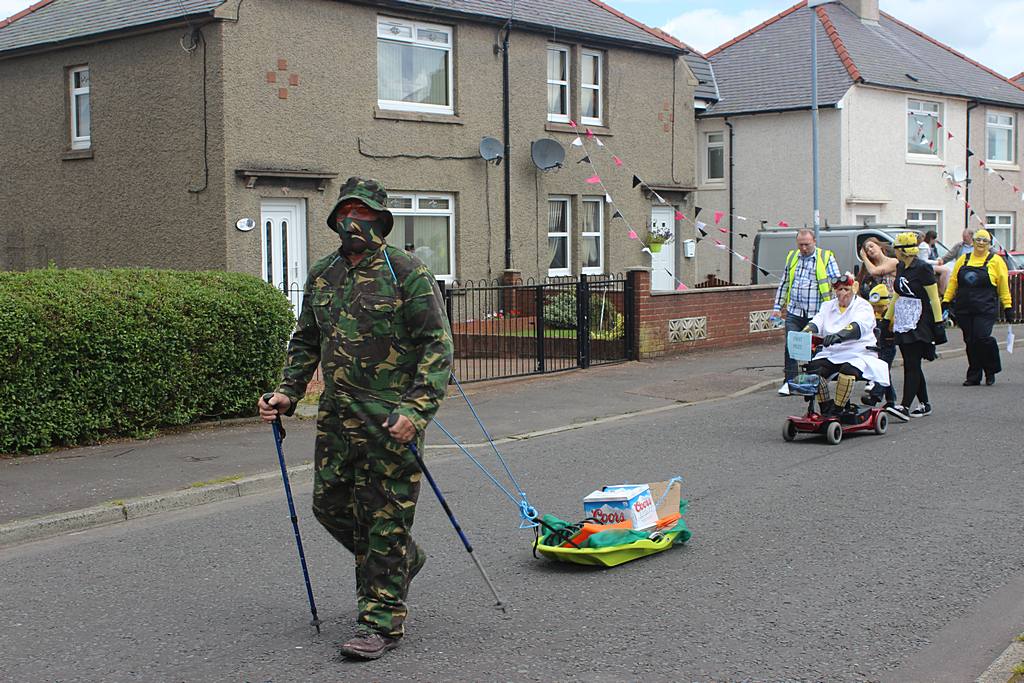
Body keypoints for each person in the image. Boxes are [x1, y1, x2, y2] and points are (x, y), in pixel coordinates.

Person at [258, 177, 454, 660]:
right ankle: (404, 560)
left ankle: (379, 622)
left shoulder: (406, 272)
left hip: (391, 422)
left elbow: (438, 346)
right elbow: (306, 340)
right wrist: (287, 391)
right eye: (347, 214)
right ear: (335, 221)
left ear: (382, 221)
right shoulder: (324, 274)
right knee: (329, 506)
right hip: (337, 420)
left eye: (364, 215)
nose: (354, 224)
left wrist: (417, 409)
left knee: (383, 519)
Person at [801, 273, 891, 418]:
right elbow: (817, 321)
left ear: (853, 290)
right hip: (832, 353)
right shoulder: (828, 306)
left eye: (846, 289)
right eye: (839, 290)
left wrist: (839, 336)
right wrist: (806, 331)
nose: (843, 293)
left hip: (859, 352)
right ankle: (826, 407)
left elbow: (856, 327)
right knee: (813, 369)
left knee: (847, 370)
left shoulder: (863, 306)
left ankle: (838, 408)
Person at [883, 232, 947, 420]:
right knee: (912, 364)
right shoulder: (901, 266)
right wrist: (888, 318)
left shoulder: (923, 269)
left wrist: (938, 324)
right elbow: (897, 294)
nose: (894, 251)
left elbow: (934, 298)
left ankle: (904, 406)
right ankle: (925, 404)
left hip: (921, 320)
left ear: (902, 251)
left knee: (911, 363)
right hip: (904, 320)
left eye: (896, 248)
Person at [942, 228, 1015, 385]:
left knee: (982, 338)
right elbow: (954, 281)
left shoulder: (996, 261)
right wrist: (946, 300)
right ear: (973, 242)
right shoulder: (963, 259)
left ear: (990, 244)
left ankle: (990, 369)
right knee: (970, 341)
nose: (981, 243)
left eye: (985, 241)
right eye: (978, 240)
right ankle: (974, 375)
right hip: (964, 308)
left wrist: (1008, 306)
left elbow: (1003, 286)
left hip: (985, 308)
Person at [772, 229, 841, 393]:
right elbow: (784, 283)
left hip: (816, 313)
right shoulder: (792, 257)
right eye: (801, 244)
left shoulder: (825, 257)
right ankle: (789, 382)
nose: (803, 248)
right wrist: (777, 308)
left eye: (807, 245)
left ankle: (813, 381)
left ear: (814, 242)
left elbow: (837, 282)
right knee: (791, 346)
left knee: (814, 348)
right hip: (795, 311)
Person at [861, 282, 902, 416]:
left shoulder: (890, 315)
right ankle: (891, 399)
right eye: (874, 307)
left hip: (888, 347)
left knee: (881, 371)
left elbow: (894, 328)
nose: (876, 309)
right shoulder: (874, 315)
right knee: (886, 373)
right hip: (878, 347)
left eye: (878, 307)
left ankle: (875, 397)